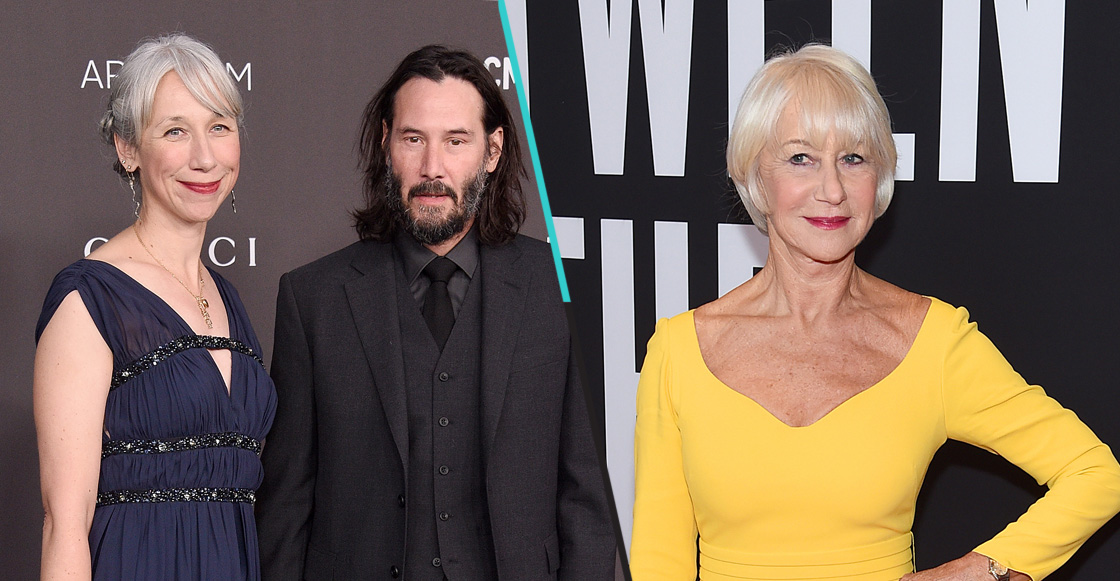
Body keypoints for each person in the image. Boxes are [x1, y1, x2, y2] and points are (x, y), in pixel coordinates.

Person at [629, 44, 1120, 581]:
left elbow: (1096, 473)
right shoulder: (680, 352)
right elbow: (659, 562)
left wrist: (982, 571)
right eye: (801, 158)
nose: (832, 190)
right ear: (754, 176)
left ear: (879, 179)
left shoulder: (934, 342)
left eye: (853, 159)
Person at [255, 45, 616, 580]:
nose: (432, 168)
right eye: (413, 139)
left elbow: (586, 500)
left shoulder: (559, 290)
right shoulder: (314, 299)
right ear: (386, 144)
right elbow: (285, 507)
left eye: (455, 141)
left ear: (492, 150)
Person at [33, 34, 275, 580]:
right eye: (175, 131)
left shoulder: (227, 298)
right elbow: (64, 525)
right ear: (128, 149)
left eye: (219, 126)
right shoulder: (89, 298)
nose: (205, 157)